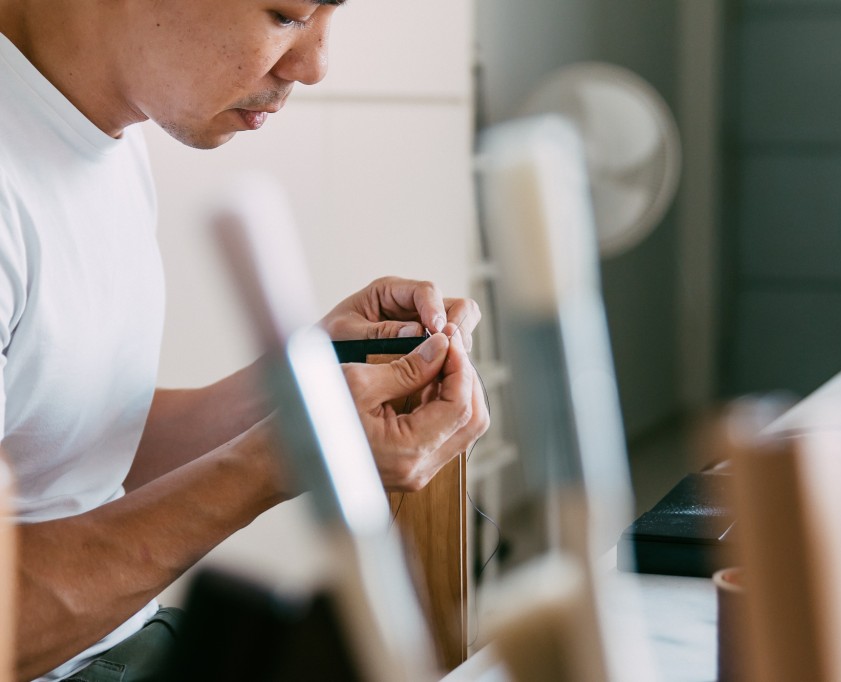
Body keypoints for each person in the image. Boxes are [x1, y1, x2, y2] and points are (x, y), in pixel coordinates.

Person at [0, 0, 490, 679]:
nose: (315, 65)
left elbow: (64, 445)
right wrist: (284, 461)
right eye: (286, 14)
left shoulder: (94, 127)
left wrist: (302, 385)